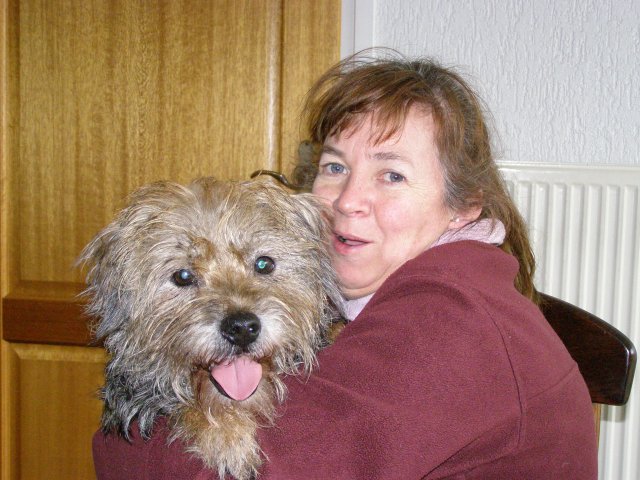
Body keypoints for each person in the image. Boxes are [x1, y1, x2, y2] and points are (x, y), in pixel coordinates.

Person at [93, 51, 598, 479]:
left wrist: (122, 438)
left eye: (392, 175)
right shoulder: (393, 292)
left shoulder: (450, 320)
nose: (348, 200)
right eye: (335, 166)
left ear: (463, 206)